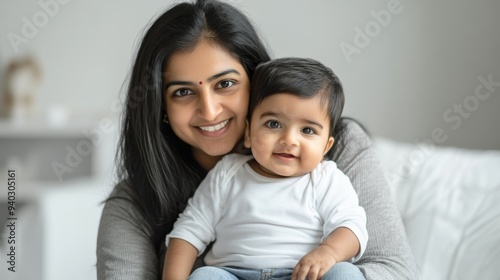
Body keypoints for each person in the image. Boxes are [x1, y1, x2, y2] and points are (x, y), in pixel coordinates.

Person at [96, 0, 420, 279]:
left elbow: (394, 267)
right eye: (182, 92)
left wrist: (327, 258)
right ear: (160, 106)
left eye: (225, 84)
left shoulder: (339, 151)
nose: (209, 111)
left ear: (255, 81)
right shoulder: (135, 200)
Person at [163, 57, 368, 280]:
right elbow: (188, 231)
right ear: (249, 133)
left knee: (345, 273)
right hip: (234, 274)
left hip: (302, 275)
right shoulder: (227, 174)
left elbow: (352, 226)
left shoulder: (326, 179)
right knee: (205, 276)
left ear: (326, 146)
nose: (289, 140)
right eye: (274, 124)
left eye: (307, 130)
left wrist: (328, 253)